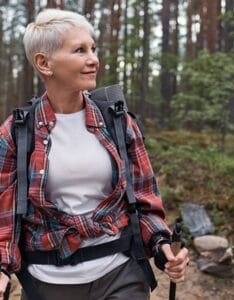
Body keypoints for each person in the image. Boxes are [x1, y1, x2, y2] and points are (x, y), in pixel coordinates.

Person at [0, 8, 189, 300]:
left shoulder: (117, 120)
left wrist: (162, 246)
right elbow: (5, 215)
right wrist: (2, 269)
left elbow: (143, 199)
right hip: (47, 285)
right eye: (80, 50)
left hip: (121, 275)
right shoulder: (17, 132)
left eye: (93, 49)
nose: (93, 60)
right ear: (44, 63)